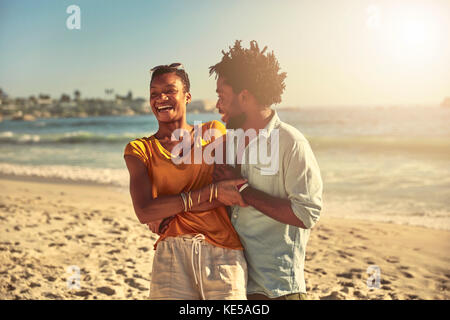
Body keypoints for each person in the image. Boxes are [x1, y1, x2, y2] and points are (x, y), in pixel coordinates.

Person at [209, 41, 323, 300]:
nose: (218, 105)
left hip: (278, 289)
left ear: (245, 97)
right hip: (236, 285)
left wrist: (244, 190)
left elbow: (307, 213)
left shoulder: (290, 143)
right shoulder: (230, 142)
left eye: (222, 96)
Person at [123, 63, 248, 300]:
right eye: (154, 93)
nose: (161, 97)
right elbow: (144, 211)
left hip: (222, 252)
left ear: (187, 96)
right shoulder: (139, 150)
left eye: (170, 90)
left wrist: (170, 206)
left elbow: (227, 193)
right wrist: (210, 192)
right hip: (171, 255)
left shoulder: (213, 132)